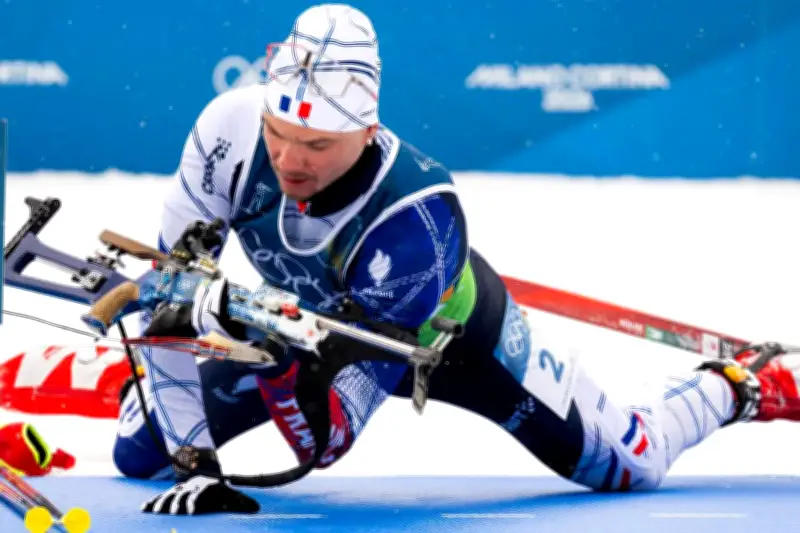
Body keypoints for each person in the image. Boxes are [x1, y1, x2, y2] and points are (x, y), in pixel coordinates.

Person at [109, 3, 800, 516]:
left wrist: (251, 340)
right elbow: (170, 292)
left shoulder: (417, 217)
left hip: (458, 342)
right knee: (141, 452)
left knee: (629, 464)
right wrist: (194, 459)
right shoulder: (227, 131)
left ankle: (740, 386)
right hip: (295, 325)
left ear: (366, 129)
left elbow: (326, 438)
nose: (289, 158)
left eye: (316, 146)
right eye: (278, 132)